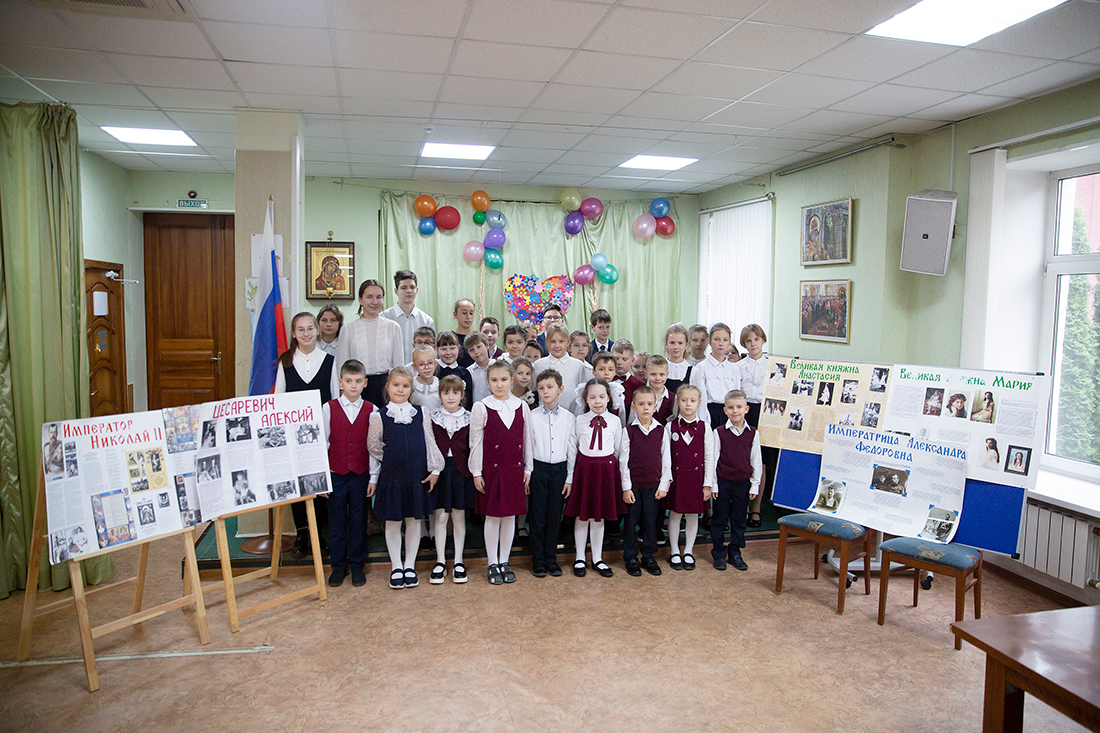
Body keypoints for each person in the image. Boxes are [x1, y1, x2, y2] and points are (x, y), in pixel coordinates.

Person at [367, 367, 444, 589]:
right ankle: (396, 566)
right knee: (393, 522)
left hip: (416, 477)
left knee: (413, 521)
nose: (400, 390)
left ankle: (409, 565)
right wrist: (392, 457)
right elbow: (373, 445)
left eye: (405, 386)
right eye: (396, 385)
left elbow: (429, 441)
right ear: (387, 387)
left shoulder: (421, 413)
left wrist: (435, 469)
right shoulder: (379, 416)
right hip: (392, 477)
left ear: (411, 389)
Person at [274, 311, 334, 559]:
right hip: (293, 437)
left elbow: (334, 401)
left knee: (320, 485)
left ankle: (319, 534)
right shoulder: (286, 362)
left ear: (317, 331)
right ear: (293, 333)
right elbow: (278, 400)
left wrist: (330, 437)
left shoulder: (329, 361)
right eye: (301, 329)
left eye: (310, 328)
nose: (306, 333)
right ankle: (302, 534)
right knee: (298, 486)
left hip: (321, 436)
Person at [470, 360, 533, 585]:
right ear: (488, 382)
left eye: (504, 380)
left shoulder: (521, 406)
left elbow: (527, 439)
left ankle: (505, 561)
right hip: (491, 470)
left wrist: (528, 468)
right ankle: (492, 562)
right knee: (492, 516)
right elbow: (475, 442)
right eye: (494, 380)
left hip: (514, 469)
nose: (499, 384)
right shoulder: (481, 407)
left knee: (510, 516)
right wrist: (476, 472)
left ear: (512, 380)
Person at [564, 378, 628, 579]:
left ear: (609, 398)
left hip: (605, 472)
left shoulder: (615, 421)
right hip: (584, 471)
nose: (597, 401)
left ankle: (598, 558)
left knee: (599, 516)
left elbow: (618, 450)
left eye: (601, 397)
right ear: (586, 399)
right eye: (592, 397)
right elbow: (572, 449)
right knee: (582, 516)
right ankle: (580, 557)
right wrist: (570, 477)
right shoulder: (579, 420)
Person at [323, 358, 374, 588]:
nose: (353, 385)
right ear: (341, 382)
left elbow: (374, 447)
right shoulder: (328, 408)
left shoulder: (372, 410)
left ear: (365, 383)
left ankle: (357, 565)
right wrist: (323, 478)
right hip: (336, 474)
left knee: (358, 521)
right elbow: (322, 444)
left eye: (358, 381)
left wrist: (374, 477)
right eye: (349, 381)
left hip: (361, 474)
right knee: (336, 522)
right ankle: (337, 566)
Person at [526, 368, 576, 578]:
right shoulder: (531, 416)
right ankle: (538, 559)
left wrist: (569, 477)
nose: (545, 391)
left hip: (560, 470)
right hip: (538, 469)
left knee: (555, 516)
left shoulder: (569, 418)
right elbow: (528, 446)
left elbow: (572, 449)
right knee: (537, 516)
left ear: (560, 389)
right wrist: (528, 472)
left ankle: (551, 557)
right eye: (541, 388)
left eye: (549, 387)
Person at [429, 376, 475, 584]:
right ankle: (440, 561)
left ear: (462, 395)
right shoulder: (433, 417)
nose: (450, 397)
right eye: (446, 393)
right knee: (440, 517)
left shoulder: (469, 418)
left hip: (460, 473)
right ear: (440, 395)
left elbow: (473, 447)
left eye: (455, 393)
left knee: (458, 516)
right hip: (440, 473)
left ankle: (458, 561)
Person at [710, 390, 762, 572]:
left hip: (743, 483)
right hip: (723, 482)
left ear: (746, 409)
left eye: (739, 407)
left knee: (739, 519)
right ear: (725, 410)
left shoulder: (753, 433)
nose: (735, 411)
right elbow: (713, 459)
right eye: (731, 408)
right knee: (719, 518)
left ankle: (735, 552)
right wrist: (714, 484)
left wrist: (755, 484)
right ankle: (718, 553)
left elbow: (756, 460)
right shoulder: (718, 432)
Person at [333, 279, 404, 410]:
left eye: (379, 297)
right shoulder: (348, 329)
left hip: (386, 387)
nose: (374, 302)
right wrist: (342, 391)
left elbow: (398, 366)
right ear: (360, 300)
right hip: (357, 386)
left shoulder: (393, 327)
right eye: (369, 297)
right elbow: (342, 366)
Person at [622, 386, 670, 577]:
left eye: (649, 404)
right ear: (634, 407)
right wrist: (626, 488)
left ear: (655, 407)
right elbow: (623, 462)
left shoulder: (661, 430)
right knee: (631, 522)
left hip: (653, 486)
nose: (646, 408)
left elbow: (666, 459)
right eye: (641, 404)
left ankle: (649, 556)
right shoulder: (628, 431)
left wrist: (664, 484)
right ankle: (630, 557)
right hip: (633, 486)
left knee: (651, 522)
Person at [666, 384, 714, 571]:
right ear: (677, 401)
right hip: (677, 478)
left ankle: (688, 550)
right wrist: (667, 480)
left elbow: (709, 457)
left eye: (692, 401)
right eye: (684, 400)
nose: (688, 404)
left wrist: (707, 484)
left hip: (696, 479)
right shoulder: (670, 426)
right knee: (675, 514)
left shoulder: (705, 427)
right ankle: (674, 550)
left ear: (699, 403)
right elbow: (665, 457)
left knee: (693, 515)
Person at [738, 324, 770, 529]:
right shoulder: (739, 367)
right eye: (748, 341)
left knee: (761, 461)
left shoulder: (773, 366)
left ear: (763, 340)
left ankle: (756, 507)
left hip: (767, 413)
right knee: (744, 460)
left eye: (756, 339)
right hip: (745, 412)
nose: (753, 344)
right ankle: (742, 507)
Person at [690, 323, 742, 427]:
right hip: (709, 413)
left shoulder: (734, 369)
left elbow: (737, 396)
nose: (721, 344)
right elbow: (699, 397)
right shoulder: (701, 367)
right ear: (709, 341)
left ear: (729, 342)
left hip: (730, 413)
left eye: (725, 340)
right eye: (717, 339)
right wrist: (703, 421)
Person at [381, 270, 435, 365]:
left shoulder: (426, 321)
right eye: (404, 288)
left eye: (412, 287)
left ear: (417, 290)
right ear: (396, 291)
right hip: (392, 371)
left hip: (419, 371)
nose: (409, 291)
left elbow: (431, 352)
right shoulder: (384, 318)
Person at [534, 325, 588, 413]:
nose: (557, 345)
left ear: (568, 342)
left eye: (561, 341)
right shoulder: (538, 365)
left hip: (572, 415)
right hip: (544, 415)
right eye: (553, 341)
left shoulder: (578, 365)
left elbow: (582, 393)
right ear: (547, 342)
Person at [578, 353, 625, 423]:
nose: (606, 373)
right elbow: (579, 413)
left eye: (610, 369)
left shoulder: (617, 391)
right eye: (601, 369)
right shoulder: (587, 389)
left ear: (615, 371)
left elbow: (622, 416)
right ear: (594, 371)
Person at [435, 331, 474, 410]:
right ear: (437, 349)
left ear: (458, 348)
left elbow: (468, 401)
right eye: (443, 349)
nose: (448, 352)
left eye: (452, 348)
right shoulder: (433, 372)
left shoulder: (464, 373)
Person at [611, 339, 646, 408]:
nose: (619, 362)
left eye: (624, 359)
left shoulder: (639, 385)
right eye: (616, 358)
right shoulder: (605, 382)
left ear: (632, 361)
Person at [641, 355, 674, 425]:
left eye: (661, 374)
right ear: (646, 374)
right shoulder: (639, 396)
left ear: (667, 375)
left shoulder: (674, 398)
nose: (657, 378)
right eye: (653, 374)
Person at [663, 324, 693, 394]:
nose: (676, 347)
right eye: (672, 343)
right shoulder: (658, 368)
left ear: (686, 345)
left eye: (680, 343)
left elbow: (699, 397)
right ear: (666, 344)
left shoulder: (692, 371)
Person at [410, 345, 441, 412]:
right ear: (414, 367)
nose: (426, 367)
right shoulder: (411, 386)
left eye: (430, 363)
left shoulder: (440, 385)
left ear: (435, 364)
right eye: (421, 364)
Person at [464, 332, 493, 404]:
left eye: (479, 347)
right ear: (468, 353)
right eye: (471, 350)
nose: (476, 352)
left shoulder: (497, 368)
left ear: (487, 345)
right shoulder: (468, 372)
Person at [450, 298, 477, 367]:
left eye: (471, 313)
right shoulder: (450, 338)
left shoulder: (478, 338)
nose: (468, 317)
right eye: (464, 313)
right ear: (455, 314)